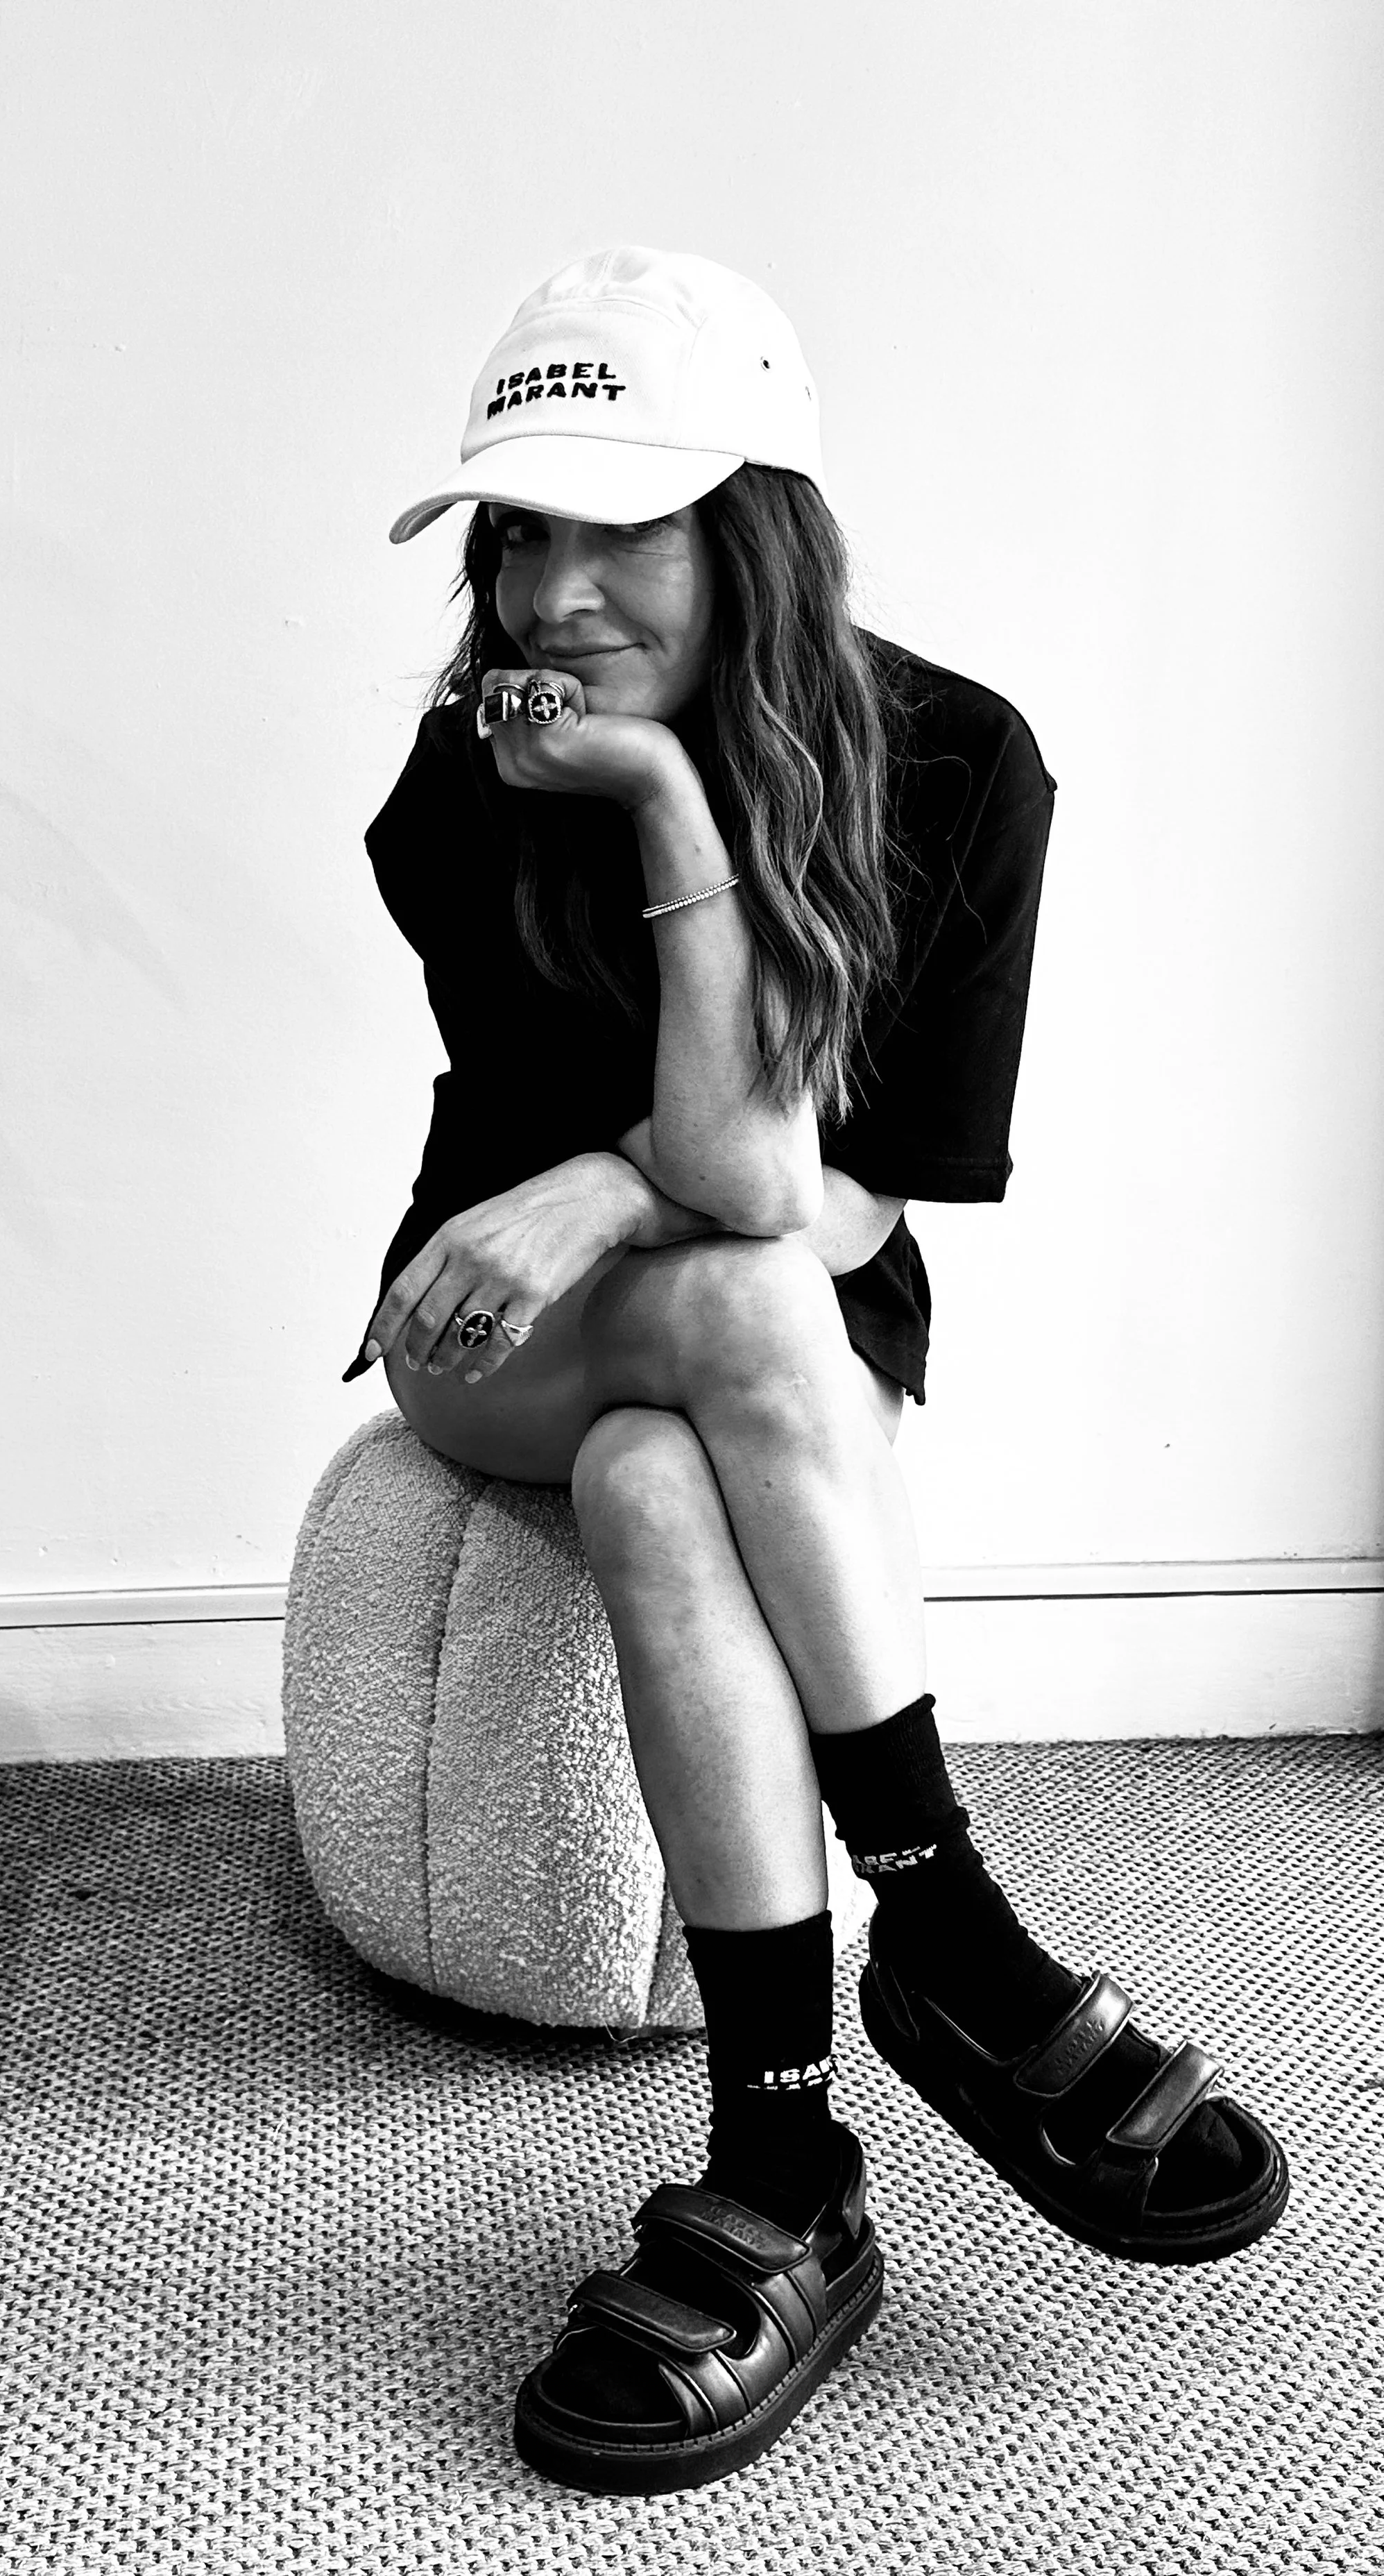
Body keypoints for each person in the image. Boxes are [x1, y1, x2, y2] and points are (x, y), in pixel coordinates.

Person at [343, 247, 1288, 2497]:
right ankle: (947, 1925)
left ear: (751, 528)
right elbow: (745, 1187)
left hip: (762, 1313)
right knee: (733, 1311)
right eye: (518, 533)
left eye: (618, 530)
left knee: (667, 1472)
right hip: (495, 1322)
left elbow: (842, 1195)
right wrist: (639, 821)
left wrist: (677, 830)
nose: (548, 594)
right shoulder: (475, 777)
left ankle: (780, 2158)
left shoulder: (957, 757)